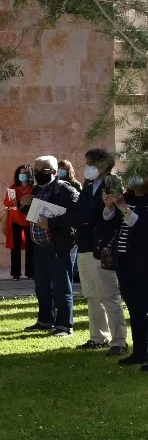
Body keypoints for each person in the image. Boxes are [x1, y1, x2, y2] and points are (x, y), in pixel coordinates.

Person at [67, 148, 127, 355]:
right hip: (84, 244)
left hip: (101, 245)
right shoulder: (88, 184)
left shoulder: (112, 183)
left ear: (102, 165)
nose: (87, 167)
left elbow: (113, 214)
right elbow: (81, 211)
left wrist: (87, 218)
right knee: (91, 294)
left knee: (108, 294)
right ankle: (98, 337)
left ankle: (119, 341)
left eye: (90, 163)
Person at [20, 156, 80, 337]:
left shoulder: (65, 190)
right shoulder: (38, 189)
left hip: (58, 246)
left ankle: (64, 325)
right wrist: (22, 204)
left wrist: (51, 223)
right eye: (35, 170)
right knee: (42, 286)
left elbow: (76, 215)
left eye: (42, 171)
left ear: (54, 172)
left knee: (61, 287)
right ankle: (45, 320)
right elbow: (34, 212)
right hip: (39, 246)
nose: (37, 174)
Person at [104, 173, 148, 367]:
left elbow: (143, 228)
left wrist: (123, 208)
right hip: (125, 262)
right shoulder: (128, 198)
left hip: (143, 262)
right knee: (135, 309)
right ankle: (139, 352)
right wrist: (109, 205)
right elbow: (111, 224)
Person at [4, 164, 35, 280]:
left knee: (30, 247)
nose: (22, 176)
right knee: (15, 247)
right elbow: (7, 202)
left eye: (25, 173)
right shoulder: (13, 187)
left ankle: (30, 272)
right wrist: (18, 202)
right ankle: (15, 273)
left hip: (30, 220)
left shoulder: (33, 188)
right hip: (15, 220)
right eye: (21, 173)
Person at [58, 159, 82, 282]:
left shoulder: (75, 185)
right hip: (58, 222)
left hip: (71, 223)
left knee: (72, 253)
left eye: (63, 169)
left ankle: (72, 275)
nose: (60, 171)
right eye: (59, 168)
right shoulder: (55, 184)